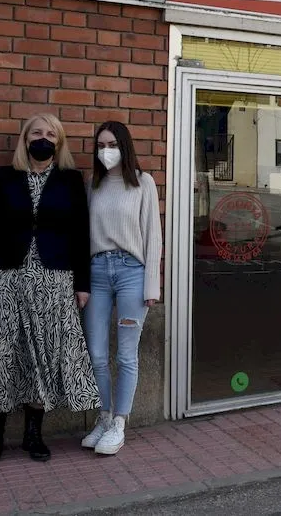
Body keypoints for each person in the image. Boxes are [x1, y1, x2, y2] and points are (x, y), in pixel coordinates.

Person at [0, 113, 100, 463]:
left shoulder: (71, 181)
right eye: (37, 133)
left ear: (60, 142)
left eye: (51, 135)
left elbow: (80, 235)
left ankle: (33, 434)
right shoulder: (5, 177)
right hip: (8, 279)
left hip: (54, 281)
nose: (44, 139)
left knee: (42, 357)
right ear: (25, 139)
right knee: (3, 355)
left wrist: (82, 285)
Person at [81, 121, 162, 456]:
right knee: (97, 353)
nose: (105, 151)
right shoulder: (92, 185)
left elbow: (153, 235)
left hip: (131, 271)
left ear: (124, 146)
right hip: (97, 271)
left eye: (111, 144)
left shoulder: (143, 182)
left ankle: (119, 422)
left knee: (126, 354)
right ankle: (102, 416)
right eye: (100, 146)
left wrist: (151, 284)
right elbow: (82, 235)